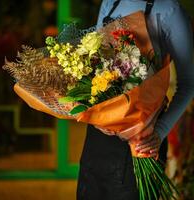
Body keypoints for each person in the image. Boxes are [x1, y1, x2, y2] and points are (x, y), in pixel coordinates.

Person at [77, 0, 194, 199]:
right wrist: (95, 112)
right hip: (98, 139)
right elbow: (94, 64)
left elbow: (189, 84)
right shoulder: (110, 2)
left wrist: (159, 132)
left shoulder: (170, 10)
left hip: (141, 140)